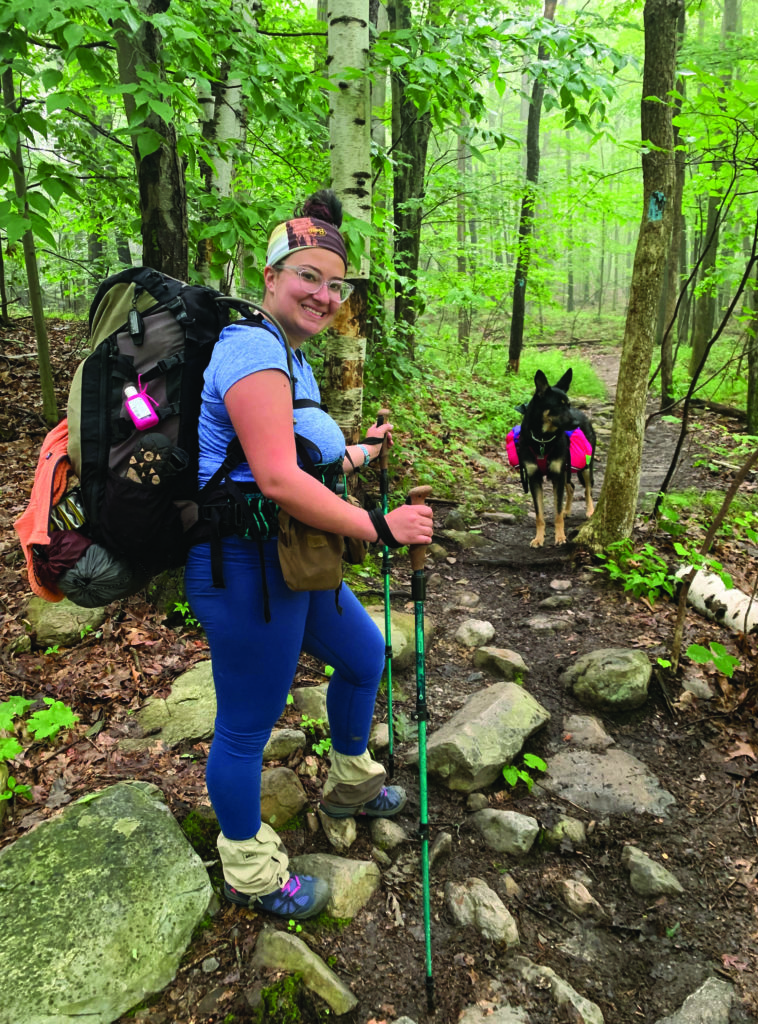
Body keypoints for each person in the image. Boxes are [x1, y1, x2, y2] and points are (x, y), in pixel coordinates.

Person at [184, 189, 433, 920]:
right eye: (308, 277)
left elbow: (305, 456)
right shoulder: (251, 346)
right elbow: (274, 477)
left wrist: (361, 450)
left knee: (362, 656)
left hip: (297, 559)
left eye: (336, 282)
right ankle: (251, 871)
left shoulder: (292, 356)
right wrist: (377, 528)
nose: (324, 295)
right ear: (270, 277)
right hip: (244, 569)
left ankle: (352, 777)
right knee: (244, 728)